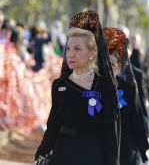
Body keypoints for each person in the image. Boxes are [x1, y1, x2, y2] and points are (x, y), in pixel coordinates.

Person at [34, 11, 119, 165]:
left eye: (77, 49)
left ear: (92, 53)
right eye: (68, 49)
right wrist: (41, 154)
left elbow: (110, 133)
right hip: (62, 156)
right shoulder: (59, 86)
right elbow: (53, 126)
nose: (70, 54)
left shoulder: (104, 87)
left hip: (93, 157)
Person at [103, 27, 149, 165]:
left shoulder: (129, 87)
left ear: (119, 66)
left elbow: (138, 119)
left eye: (112, 65)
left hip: (126, 150)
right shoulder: (93, 88)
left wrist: (146, 154)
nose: (109, 69)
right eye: (106, 64)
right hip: (102, 151)